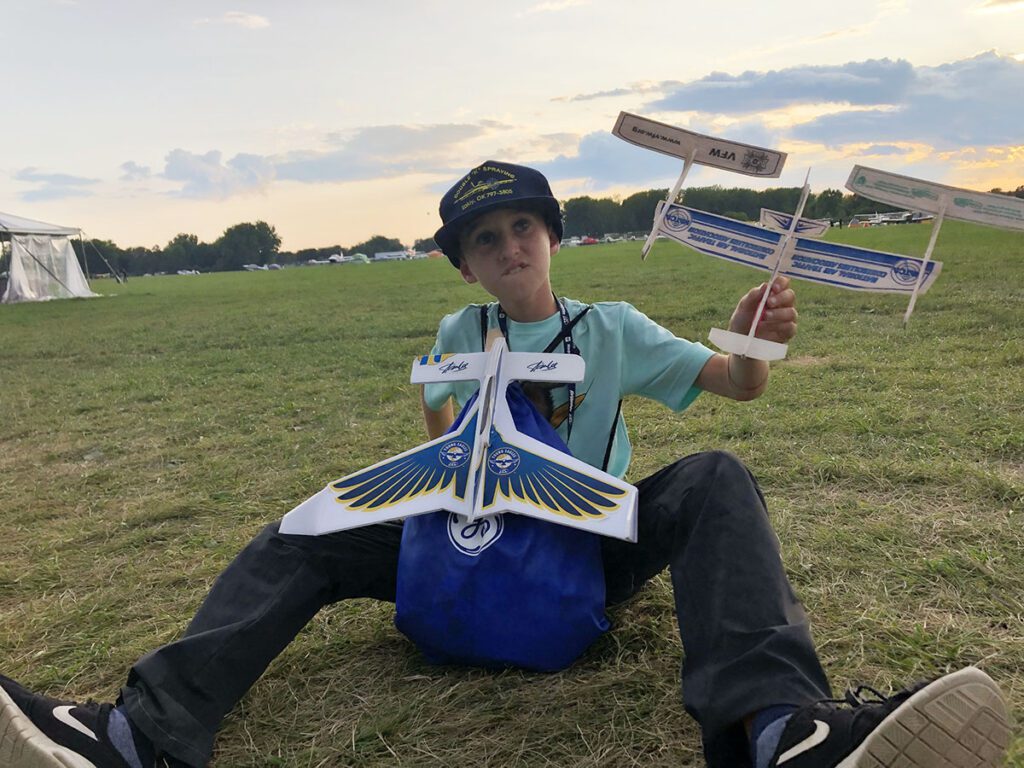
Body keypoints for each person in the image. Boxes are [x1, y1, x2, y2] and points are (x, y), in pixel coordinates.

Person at [0, 162, 1010, 768]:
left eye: (521, 225)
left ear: (552, 235)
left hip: (592, 548)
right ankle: (139, 738)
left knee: (713, 479)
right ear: (465, 263)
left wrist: (757, 339)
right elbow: (445, 441)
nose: (507, 246)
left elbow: (738, 388)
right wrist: (470, 403)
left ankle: (778, 733)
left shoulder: (613, 327)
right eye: (483, 239)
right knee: (301, 530)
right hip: (469, 537)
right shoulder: (458, 327)